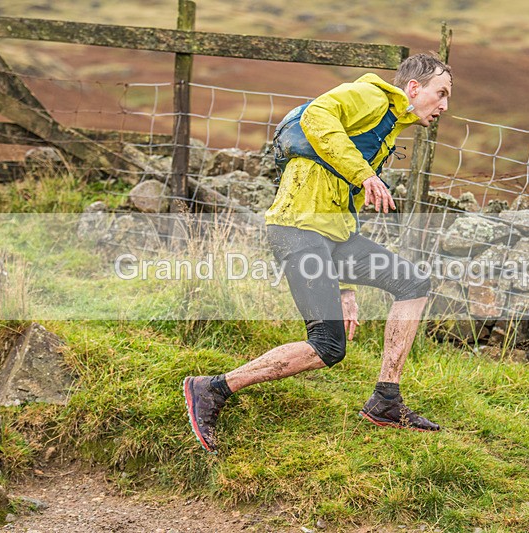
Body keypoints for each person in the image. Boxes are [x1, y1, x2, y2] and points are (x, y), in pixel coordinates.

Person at [184, 53, 452, 453]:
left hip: (332, 236)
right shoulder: (371, 96)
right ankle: (212, 388)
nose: (445, 105)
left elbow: (342, 199)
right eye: (441, 93)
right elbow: (318, 116)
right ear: (414, 88)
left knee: (412, 282)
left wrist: (345, 289)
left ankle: (386, 400)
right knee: (327, 346)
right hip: (297, 228)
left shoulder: (389, 126)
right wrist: (365, 173)